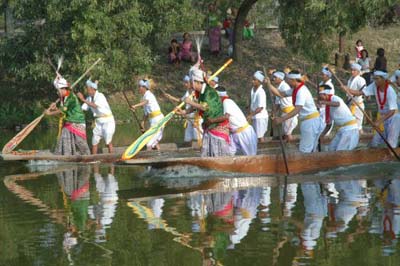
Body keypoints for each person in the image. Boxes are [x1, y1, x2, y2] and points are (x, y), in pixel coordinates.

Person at [266, 70, 324, 153]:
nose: (287, 82)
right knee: (309, 148)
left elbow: (297, 109)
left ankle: (305, 163)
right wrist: (269, 84)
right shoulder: (295, 89)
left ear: (293, 80)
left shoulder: (301, 91)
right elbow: (280, 94)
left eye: (288, 80)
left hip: (311, 122)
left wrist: (281, 119)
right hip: (308, 121)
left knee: (305, 149)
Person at [180, 68, 231, 157]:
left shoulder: (209, 92)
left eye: (191, 82)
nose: (190, 84)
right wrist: (184, 111)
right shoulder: (201, 92)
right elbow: (198, 106)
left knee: (218, 156)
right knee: (206, 155)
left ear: (197, 82)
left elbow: (204, 107)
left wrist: (189, 102)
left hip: (217, 127)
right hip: (209, 127)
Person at [346, 70, 400, 148]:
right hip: (382, 117)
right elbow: (360, 93)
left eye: (377, 79)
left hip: (393, 118)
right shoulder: (374, 85)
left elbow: (392, 111)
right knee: (375, 142)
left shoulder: (390, 91)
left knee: (391, 142)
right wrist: (348, 90)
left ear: (383, 79)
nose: (375, 81)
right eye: (374, 78)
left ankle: (391, 158)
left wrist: (379, 121)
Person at [45, 76, 90, 155]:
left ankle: (87, 156)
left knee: (80, 142)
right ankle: (66, 155)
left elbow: (62, 110)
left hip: (77, 122)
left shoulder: (70, 97)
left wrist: (49, 113)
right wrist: (55, 108)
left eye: (58, 90)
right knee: (64, 137)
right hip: (69, 122)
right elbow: (62, 113)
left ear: (63, 89)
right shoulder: (64, 97)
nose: (57, 93)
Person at [214, 86, 257, 155]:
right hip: (234, 134)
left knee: (251, 157)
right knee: (227, 154)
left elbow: (226, 117)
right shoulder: (222, 103)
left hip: (244, 133)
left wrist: (212, 121)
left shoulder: (226, 101)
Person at [77, 79, 115, 154]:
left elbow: (95, 106)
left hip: (107, 121)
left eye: (88, 90)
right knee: (94, 141)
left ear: (92, 89)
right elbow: (83, 109)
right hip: (98, 122)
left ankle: (112, 158)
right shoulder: (89, 98)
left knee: (108, 140)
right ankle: (93, 159)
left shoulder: (100, 96)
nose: (87, 91)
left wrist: (83, 99)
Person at [164, 75, 203, 146]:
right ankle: (189, 152)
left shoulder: (196, 92)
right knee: (188, 137)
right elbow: (181, 100)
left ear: (191, 83)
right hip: (189, 116)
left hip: (196, 117)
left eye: (186, 83)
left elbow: (197, 106)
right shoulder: (187, 92)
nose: (185, 85)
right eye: (184, 83)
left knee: (197, 137)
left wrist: (185, 110)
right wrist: (170, 97)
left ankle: (199, 151)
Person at [318, 85, 359, 151]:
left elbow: (337, 104)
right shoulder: (328, 107)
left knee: (341, 151)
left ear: (325, 94)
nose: (319, 97)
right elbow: (329, 125)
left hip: (350, 129)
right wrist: (321, 135)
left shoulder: (334, 98)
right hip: (342, 129)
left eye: (320, 94)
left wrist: (323, 102)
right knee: (331, 149)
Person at [131, 79, 164, 150]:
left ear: (144, 87)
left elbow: (146, 102)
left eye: (140, 86)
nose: (139, 88)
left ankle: (151, 158)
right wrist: (142, 122)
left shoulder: (149, 94)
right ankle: (159, 155)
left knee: (149, 142)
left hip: (158, 119)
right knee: (154, 141)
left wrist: (135, 106)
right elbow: (146, 113)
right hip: (153, 120)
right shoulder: (143, 97)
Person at [271, 71, 298, 141]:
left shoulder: (284, 86)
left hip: (289, 112)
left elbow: (280, 95)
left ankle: (291, 149)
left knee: (288, 134)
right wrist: (274, 113)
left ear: (280, 78)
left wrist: (269, 85)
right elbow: (278, 103)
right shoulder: (279, 86)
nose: (273, 79)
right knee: (286, 133)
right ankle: (288, 148)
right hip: (285, 112)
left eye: (275, 77)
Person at [247, 71, 269, 143]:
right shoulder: (252, 89)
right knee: (256, 136)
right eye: (252, 79)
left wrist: (251, 115)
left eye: (254, 79)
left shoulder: (261, 92)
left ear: (259, 81)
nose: (252, 81)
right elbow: (252, 102)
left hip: (260, 117)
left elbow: (260, 108)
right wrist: (249, 110)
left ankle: (263, 151)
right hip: (255, 116)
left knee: (260, 137)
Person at [346, 63, 367, 133]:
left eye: (354, 70)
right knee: (350, 124)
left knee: (358, 126)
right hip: (350, 104)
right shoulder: (350, 79)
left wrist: (348, 90)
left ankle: (361, 138)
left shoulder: (361, 80)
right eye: (351, 70)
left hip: (358, 105)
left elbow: (362, 92)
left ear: (358, 71)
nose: (352, 72)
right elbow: (348, 94)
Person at [319, 67, 335, 136]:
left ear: (328, 76)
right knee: (319, 130)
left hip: (326, 109)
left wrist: (320, 97)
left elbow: (328, 98)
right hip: (320, 109)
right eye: (321, 74)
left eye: (323, 75)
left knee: (324, 132)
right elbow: (319, 90)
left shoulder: (329, 85)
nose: (321, 76)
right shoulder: (322, 83)